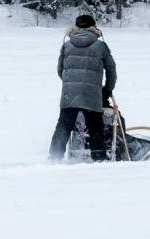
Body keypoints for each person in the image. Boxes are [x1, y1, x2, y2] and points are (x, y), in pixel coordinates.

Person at [50, 13, 117, 162]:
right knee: (95, 128)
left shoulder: (66, 45)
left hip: (69, 94)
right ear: (94, 27)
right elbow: (111, 70)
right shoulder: (101, 46)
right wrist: (107, 89)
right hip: (92, 94)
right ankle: (99, 158)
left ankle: (54, 157)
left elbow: (60, 70)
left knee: (63, 126)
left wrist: (70, 83)